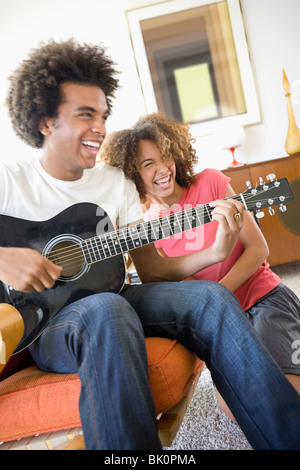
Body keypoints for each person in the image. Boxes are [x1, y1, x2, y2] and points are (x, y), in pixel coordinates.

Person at [1, 39, 300, 451]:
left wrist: (214, 253)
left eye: (103, 115)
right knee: (107, 309)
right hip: (47, 323)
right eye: (85, 115)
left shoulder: (114, 182)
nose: (101, 128)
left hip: (119, 296)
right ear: (45, 121)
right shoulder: (9, 182)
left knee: (208, 298)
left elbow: (154, 269)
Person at [100, 112, 300, 417]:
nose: (163, 168)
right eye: (147, 164)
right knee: (234, 408)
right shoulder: (145, 225)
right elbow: (176, 284)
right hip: (220, 323)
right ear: (131, 174)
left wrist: (219, 296)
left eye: (165, 156)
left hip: (261, 298)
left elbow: (259, 248)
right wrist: (216, 306)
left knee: (288, 390)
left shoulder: (211, 182)